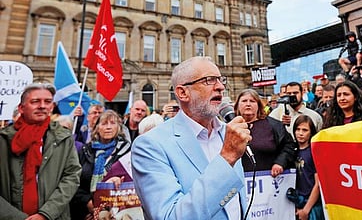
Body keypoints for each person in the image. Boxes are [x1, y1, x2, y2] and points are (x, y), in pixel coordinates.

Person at [132, 56, 251, 220]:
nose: (221, 87)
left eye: (221, 80)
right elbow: (170, 216)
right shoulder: (149, 145)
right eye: (209, 80)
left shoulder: (228, 133)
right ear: (182, 93)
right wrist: (227, 157)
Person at [0, 83, 81, 220]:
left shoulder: (63, 137)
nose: (42, 106)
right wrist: (16, 217)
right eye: (35, 101)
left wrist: (46, 214)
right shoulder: (3, 140)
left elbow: (72, 176)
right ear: (21, 107)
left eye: (48, 102)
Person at [71, 110, 131, 220]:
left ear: (118, 127)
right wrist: (88, 203)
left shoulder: (127, 151)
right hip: (85, 211)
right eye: (104, 123)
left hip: (118, 211)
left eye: (112, 123)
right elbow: (73, 181)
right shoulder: (85, 151)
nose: (108, 127)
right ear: (97, 127)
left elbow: (133, 182)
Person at [234, 88, 295, 176]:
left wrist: (280, 162)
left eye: (252, 101)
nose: (248, 104)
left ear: (258, 105)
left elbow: (289, 146)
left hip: (269, 181)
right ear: (237, 106)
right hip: (240, 183)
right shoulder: (230, 128)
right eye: (244, 101)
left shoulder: (274, 125)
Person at [286, 115, 324, 220]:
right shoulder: (292, 151)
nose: (300, 133)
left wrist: (306, 210)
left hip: (311, 204)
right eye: (298, 129)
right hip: (296, 202)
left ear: (311, 132)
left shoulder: (314, 152)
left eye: (305, 130)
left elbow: (318, 184)